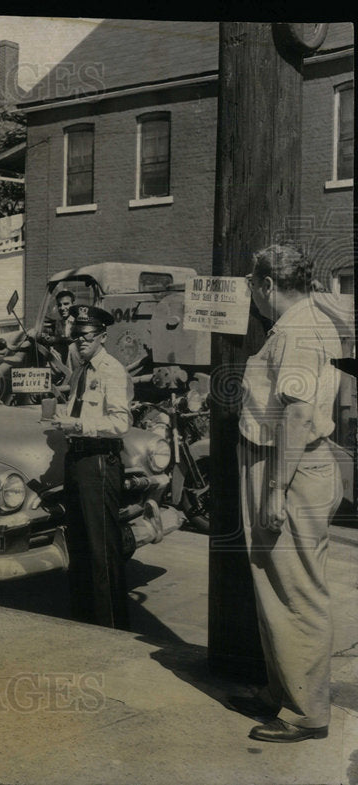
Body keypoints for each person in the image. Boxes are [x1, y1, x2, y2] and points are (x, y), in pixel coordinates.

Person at [228, 243, 343, 743]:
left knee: (296, 592)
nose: (252, 295)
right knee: (277, 586)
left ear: (267, 285)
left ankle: (306, 712)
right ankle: (284, 691)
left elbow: (296, 415)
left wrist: (276, 488)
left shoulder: (296, 332)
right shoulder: (308, 321)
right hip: (290, 463)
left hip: (290, 468)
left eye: (253, 285)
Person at [52, 304, 133, 630]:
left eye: (86, 335)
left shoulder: (111, 370)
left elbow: (120, 422)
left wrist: (77, 425)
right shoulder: (82, 370)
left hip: (100, 462)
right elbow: (79, 408)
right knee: (81, 547)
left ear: (102, 335)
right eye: (76, 335)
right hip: (79, 460)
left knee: (102, 551)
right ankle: (85, 623)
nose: (80, 340)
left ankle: (111, 628)